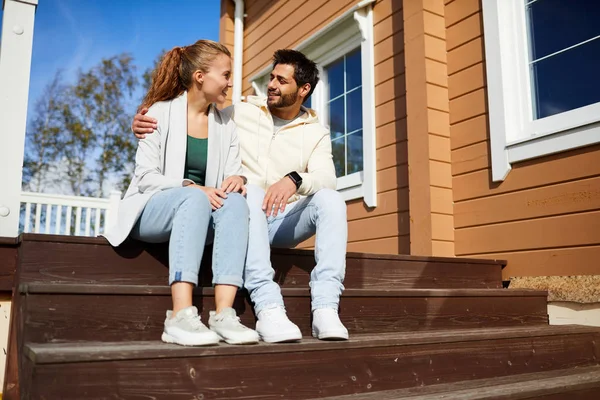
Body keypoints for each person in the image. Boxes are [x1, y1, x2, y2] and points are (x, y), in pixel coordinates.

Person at [132, 49, 349, 342]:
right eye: (271, 77)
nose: (272, 84)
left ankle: (326, 308)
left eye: (282, 81)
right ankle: (268, 304)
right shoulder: (240, 111)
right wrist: (140, 121)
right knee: (249, 191)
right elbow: (193, 107)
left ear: (304, 89)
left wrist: (295, 180)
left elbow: (327, 179)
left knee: (331, 199)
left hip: (282, 220)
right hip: (243, 213)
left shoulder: (316, 132)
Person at [104, 40, 259, 347]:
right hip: (151, 210)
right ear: (200, 76)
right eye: (226, 74)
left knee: (238, 204)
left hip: (200, 214)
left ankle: (224, 314)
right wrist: (194, 187)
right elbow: (146, 178)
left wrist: (237, 179)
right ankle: (179, 315)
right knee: (194, 197)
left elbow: (231, 171)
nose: (231, 82)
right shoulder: (158, 114)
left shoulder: (225, 123)